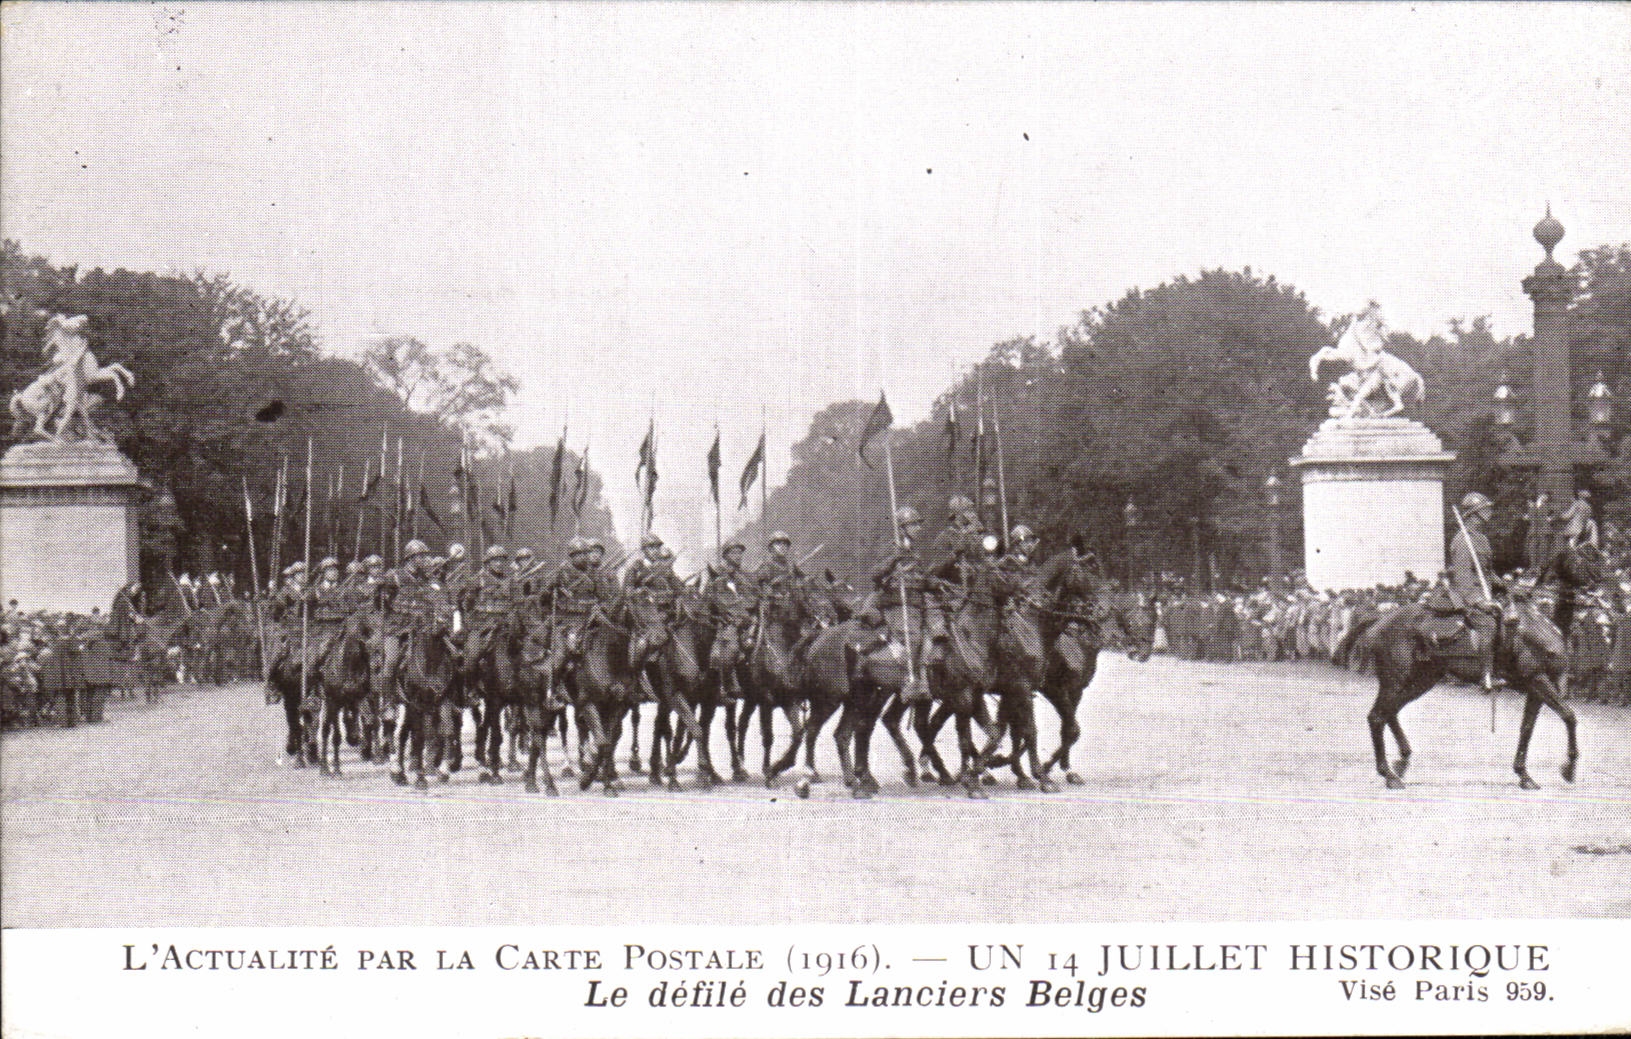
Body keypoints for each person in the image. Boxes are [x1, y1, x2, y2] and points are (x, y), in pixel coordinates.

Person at [859, 506, 943, 702]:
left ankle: (928, 679)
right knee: (912, 637)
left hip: (916, 604)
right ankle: (908, 680)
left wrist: (935, 583)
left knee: (937, 631)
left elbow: (920, 578)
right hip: (896, 604)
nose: (918, 528)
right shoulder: (891, 548)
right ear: (902, 528)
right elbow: (875, 573)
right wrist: (893, 559)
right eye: (913, 525)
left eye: (918, 524)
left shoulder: (914, 552)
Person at [376, 540, 452, 706]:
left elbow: (438, 598)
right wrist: (381, 589)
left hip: (424, 627)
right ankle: (388, 702)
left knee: (453, 652)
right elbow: (380, 602)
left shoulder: (428, 578)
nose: (425, 560)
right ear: (410, 558)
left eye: (425, 556)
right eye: (421, 556)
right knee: (391, 660)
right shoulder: (395, 577)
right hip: (398, 628)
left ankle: (454, 696)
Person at [541, 536, 620, 683]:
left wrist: (600, 608)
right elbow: (544, 598)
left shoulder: (595, 574)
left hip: (590, 619)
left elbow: (605, 598)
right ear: (571, 556)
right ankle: (554, 686)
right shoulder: (561, 573)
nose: (583, 557)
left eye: (585, 553)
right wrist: (550, 595)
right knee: (561, 655)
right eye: (578, 554)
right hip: (566, 621)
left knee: (614, 639)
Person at [1449, 492, 1501, 691]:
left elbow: (1487, 571)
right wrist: (1478, 600)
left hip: (1487, 592)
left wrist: (1506, 586)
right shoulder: (1462, 541)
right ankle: (1486, 675)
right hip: (1468, 597)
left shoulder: (1481, 539)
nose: (1489, 512)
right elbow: (1462, 577)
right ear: (1473, 514)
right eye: (1485, 509)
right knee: (1488, 624)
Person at [705, 539, 759, 695]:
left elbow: (753, 596)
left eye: (740, 552)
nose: (738, 556)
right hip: (726, 621)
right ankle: (726, 684)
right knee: (732, 647)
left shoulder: (745, 576)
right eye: (734, 552)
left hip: (748, 618)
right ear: (725, 555)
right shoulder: (717, 574)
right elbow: (711, 599)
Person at [458, 545, 518, 678]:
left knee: (507, 668)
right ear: (488, 562)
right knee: (471, 657)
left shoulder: (510, 582)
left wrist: (510, 622)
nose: (499, 564)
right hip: (480, 627)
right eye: (495, 560)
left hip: (501, 629)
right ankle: (469, 686)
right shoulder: (477, 580)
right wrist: (471, 625)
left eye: (502, 560)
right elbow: (467, 606)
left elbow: (516, 604)